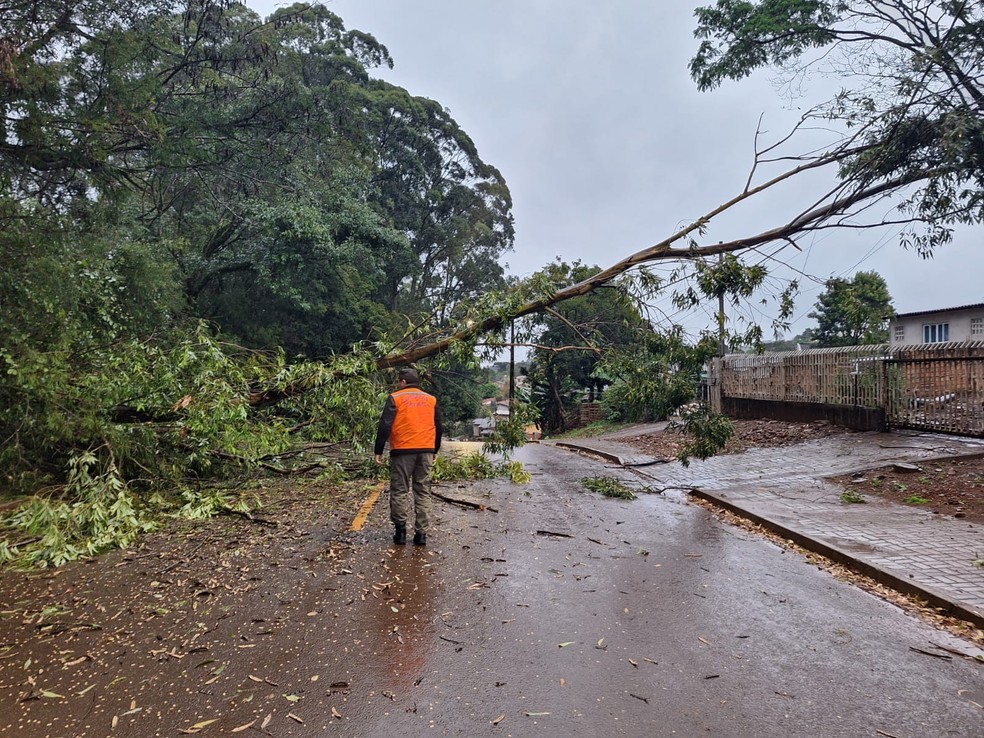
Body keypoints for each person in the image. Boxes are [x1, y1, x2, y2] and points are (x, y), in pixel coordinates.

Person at [374, 367, 443, 546]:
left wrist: (379, 450)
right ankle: (421, 535)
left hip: (403, 451)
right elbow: (439, 426)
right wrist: (434, 449)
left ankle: (401, 533)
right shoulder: (431, 399)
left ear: (403, 382)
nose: (398, 384)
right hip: (426, 450)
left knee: (400, 490)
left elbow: (385, 425)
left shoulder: (396, 398)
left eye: (399, 381)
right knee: (423, 492)